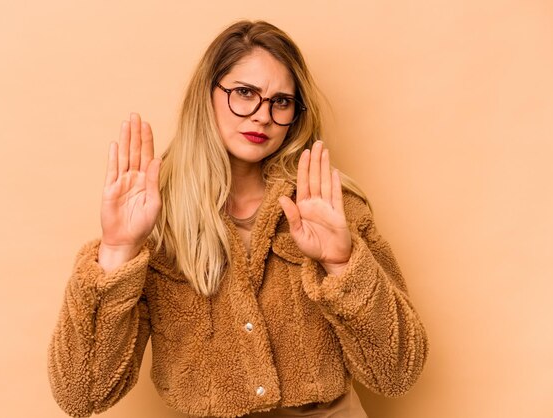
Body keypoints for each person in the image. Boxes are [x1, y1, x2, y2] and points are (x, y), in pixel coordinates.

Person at [47, 20, 429, 418]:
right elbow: (82, 394)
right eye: (245, 93)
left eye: (280, 101)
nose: (262, 115)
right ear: (207, 94)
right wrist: (117, 251)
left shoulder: (332, 205)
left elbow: (397, 374)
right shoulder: (152, 211)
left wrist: (341, 263)